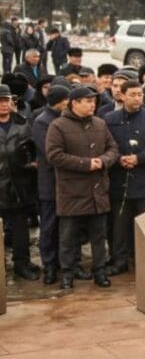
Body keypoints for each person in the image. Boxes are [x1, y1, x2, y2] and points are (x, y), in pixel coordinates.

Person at [45, 86, 119, 289]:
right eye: (87, 101)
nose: (92, 105)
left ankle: (100, 271)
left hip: (97, 189)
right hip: (72, 191)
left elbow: (113, 148)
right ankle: (67, 274)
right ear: (74, 103)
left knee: (99, 235)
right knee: (68, 236)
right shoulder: (58, 126)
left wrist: (103, 161)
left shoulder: (100, 124)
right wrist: (86, 164)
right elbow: (54, 155)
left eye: (94, 101)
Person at [104, 80, 145, 276]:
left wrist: (138, 158)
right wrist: (118, 159)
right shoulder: (109, 118)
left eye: (140, 94)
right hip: (119, 179)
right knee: (119, 225)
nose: (137, 98)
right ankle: (120, 260)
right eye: (132, 94)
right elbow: (105, 145)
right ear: (122, 95)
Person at [0, 84, 38, 281]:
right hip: (1, 184)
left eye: (6, 100)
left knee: (20, 229)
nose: (3, 105)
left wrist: (32, 164)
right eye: (0, 101)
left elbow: (33, 148)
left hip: (20, 184)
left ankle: (21, 263)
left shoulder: (23, 123)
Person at [32, 84, 69, 285]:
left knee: (66, 225)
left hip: (66, 182)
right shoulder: (42, 122)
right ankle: (49, 265)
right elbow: (51, 152)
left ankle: (66, 263)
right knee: (49, 224)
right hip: (49, 182)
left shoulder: (63, 119)